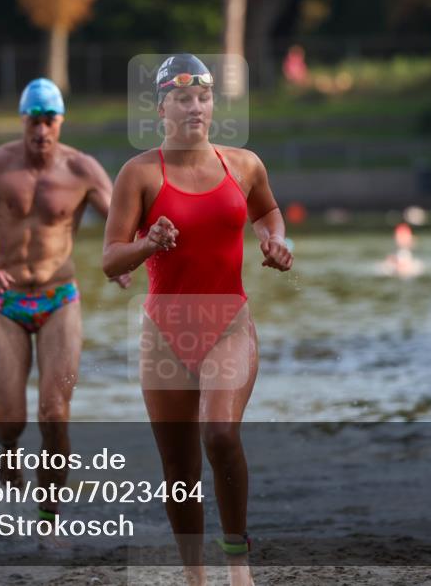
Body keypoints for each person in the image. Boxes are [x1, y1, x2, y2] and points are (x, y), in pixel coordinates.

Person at [102, 54, 292, 586]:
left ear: (214, 105)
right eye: (183, 98)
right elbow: (110, 258)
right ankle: (195, 577)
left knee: (220, 434)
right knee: (179, 471)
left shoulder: (244, 164)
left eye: (203, 98)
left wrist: (277, 242)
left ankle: (238, 564)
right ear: (162, 107)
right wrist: (146, 244)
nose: (195, 107)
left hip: (228, 322)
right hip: (164, 332)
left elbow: (269, 212)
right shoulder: (139, 174)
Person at [0, 78, 131, 523]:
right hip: (5, 303)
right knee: (11, 422)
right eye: (34, 120)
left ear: (61, 121)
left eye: (49, 121)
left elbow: (122, 222)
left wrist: (128, 255)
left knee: (55, 413)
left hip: (60, 300)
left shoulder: (82, 170)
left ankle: (49, 515)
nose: (41, 131)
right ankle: (7, 447)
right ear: (23, 120)